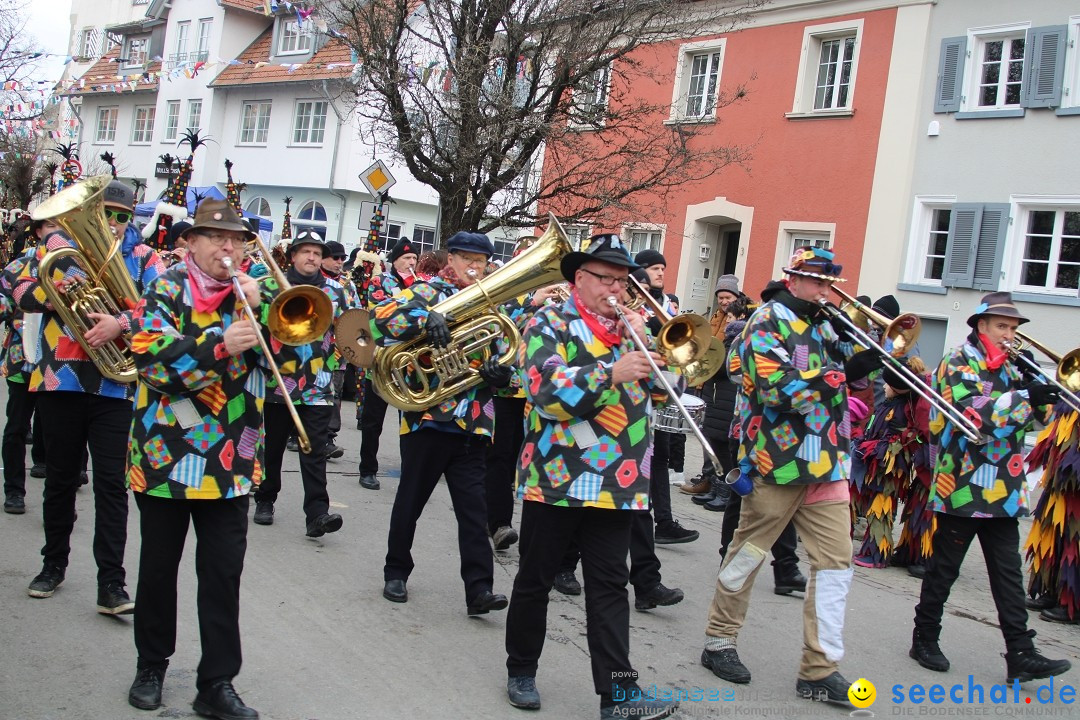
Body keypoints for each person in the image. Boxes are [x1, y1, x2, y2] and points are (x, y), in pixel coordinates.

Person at [505, 233, 678, 720]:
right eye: (607, 279)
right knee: (535, 579)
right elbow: (545, 392)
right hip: (556, 475)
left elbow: (667, 394)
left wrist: (658, 356)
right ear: (579, 278)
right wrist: (610, 372)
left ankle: (618, 695)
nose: (616, 290)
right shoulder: (547, 322)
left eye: (623, 281)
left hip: (619, 480)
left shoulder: (631, 328)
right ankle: (521, 671)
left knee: (610, 586)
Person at [700, 248, 881, 705]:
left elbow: (859, 369)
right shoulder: (766, 321)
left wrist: (865, 347)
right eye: (819, 283)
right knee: (747, 554)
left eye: (830, 283)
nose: (828, 291)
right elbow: (776, 390)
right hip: (779, 460)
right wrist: (841, 372)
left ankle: (819, 669)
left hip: (829, 462)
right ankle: (719, 641)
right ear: (794, 279)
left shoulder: (825, 320)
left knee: (836, 566)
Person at [124, 198, 264, 718]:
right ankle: (151, 663)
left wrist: (263, 306)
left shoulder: (257, 293)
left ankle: (217, 683)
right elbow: (152, 363)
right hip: (165, 455)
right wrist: (220, 344)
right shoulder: (162, 288)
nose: (228, 249)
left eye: (237, 241)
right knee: (159, 568)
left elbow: (302, 357)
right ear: (192, 242)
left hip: (234, 459)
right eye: (216, 238)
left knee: (223, 574)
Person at [15, 179, 164, 613]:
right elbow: (20, 291)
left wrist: (121, 323)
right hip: (60, 380)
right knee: (60, 479)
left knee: (112, 487)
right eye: (108, 215)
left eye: (122, 217)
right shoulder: (57, 253)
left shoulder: (144, 258)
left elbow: (157, 314)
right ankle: (52, 565)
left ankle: (111, 584)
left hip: (116, 387)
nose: (114, 224)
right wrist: (58, 290)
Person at [910, 292, 1071, 684]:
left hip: (1004, 486)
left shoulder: (1014, 368)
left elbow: (1036, 421)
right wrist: (1023, 396)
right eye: (1002, 326)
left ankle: (1020, 652)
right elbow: (974, 416)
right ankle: (924, 637)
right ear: (981, 326)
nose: (1009, 335)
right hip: (961, 483)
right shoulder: (957, 362)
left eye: (1014, 328)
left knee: (1007, 573)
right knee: (944, 570)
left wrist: (1039, 389)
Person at [371, 231, 510, 615]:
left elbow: (506, 354)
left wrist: (502, 373)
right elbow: (378, 320)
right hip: (429, 418)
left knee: (473, 512)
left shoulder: (492, 302)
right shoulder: (426, 291)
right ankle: (395, 571)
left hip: (475, 422)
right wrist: (424, 319)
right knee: (411, 500)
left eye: (480, 261)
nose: (474, 267)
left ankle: (479, 589)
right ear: (451, 259)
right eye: (467, 259)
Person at [251, 229, 346, 538]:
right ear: (292, 256)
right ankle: (266, 498)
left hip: (318, 384)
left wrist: (337, 357)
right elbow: (250, 320)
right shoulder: (268, 286)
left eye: (317, 253)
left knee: (314, 450)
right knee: (274, 446)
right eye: (305, 251)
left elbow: (348, 330)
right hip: (277, 381)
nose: (311, 257)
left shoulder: (336, 290)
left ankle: (317, 513)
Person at [714, 287, 806, 596]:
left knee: (785, 500)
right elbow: (737, 374)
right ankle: (728, 553)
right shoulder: (750, 336)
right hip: (747, 430)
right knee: (741, 497)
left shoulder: (798, 338)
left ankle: (787, 568)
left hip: (785, 436)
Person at [632, 249, 698, 545]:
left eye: (663, 268)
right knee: (639, 461)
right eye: (654, 268)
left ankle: (664, 521)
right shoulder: (632, 300)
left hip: (662, 390)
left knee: (660, 457)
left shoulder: (667, 304)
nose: (660, 273)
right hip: (636, 392)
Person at [850, 357, 931, 569]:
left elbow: (900, 439)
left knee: (881, 508)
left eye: (887, 384)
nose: (883, 387)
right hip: (881, 465)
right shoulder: (893, 404)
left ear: (897, 388)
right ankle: (879, 550)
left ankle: (876, 553)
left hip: (889, 468)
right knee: (876, 507)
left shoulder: (903, 409)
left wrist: (873, 448)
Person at [357, 237, 419, 490]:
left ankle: (412, 469)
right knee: (373, 421)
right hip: (383, 361)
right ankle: (367, 469)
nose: (411, 262)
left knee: (412, 422)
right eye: (407, 258)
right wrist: (413, 302)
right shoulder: (380, 281)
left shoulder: (422, 283)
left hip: (411, 364)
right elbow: (382, 314)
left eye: (414, 258)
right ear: (395, 261)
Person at [1, 218, 53, 514]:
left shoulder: (74, 266)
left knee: (54, 431)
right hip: (22, 357)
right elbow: (4, 299)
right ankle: (14, 491)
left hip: (57, 362)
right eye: (51, 228)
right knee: (17, 427)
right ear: (38, 232)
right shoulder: (19, 265)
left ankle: (55, 497)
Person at [682, 274, 742, 505]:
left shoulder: (738, 323)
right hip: (710, 387)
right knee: (710, 438)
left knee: (722, 442)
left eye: (727, 297)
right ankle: (712, 482)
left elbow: (725, 360)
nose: (724, 301)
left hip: (725, 389)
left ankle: (723, 489)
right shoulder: (715, 318)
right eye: (720, 297)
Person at [1025, 398, 1080, 625]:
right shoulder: (1070, 401)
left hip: (1074, 485)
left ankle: (1071, 603)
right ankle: (1052, 590)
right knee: (1052, 537)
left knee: (1073, 543)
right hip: (1058, 483)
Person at [320, 239, 357, 460]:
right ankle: (298, 435)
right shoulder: (314, 281)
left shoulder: (347, 284)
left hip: (338, 350)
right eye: (335, 258)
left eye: (342, 258)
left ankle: (329, 437)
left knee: (334, 394)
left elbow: (356, 311)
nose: (340, 262)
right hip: (315, 349)